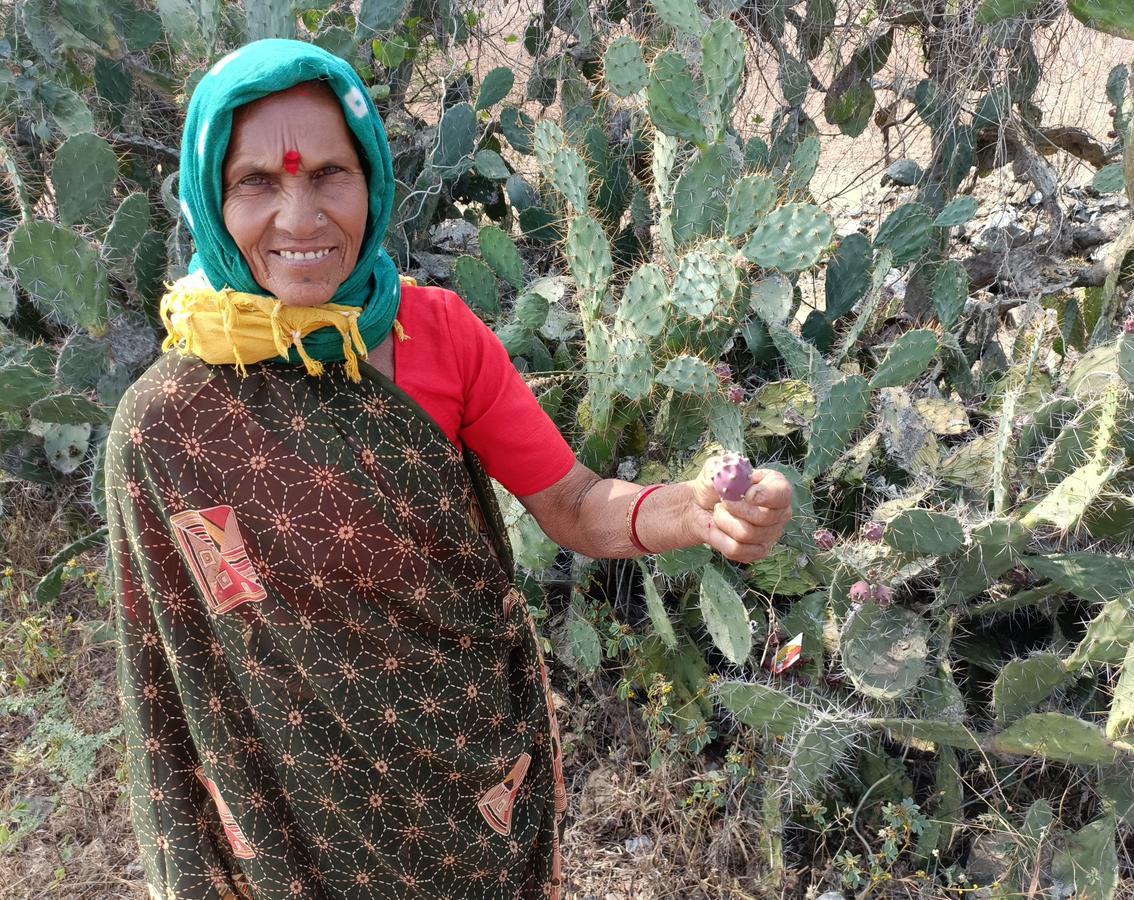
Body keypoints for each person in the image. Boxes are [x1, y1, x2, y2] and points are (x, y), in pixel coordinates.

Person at [104, 38, 793, 900]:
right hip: (291, 815)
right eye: (257, 182)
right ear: (210, 192)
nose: (301, 216)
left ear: (373, 177)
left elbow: (575, 502)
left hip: (463, 785)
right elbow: (172, 682)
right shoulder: (167, 425)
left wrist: (690, 512)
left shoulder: (436, 335)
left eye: (329, 173)